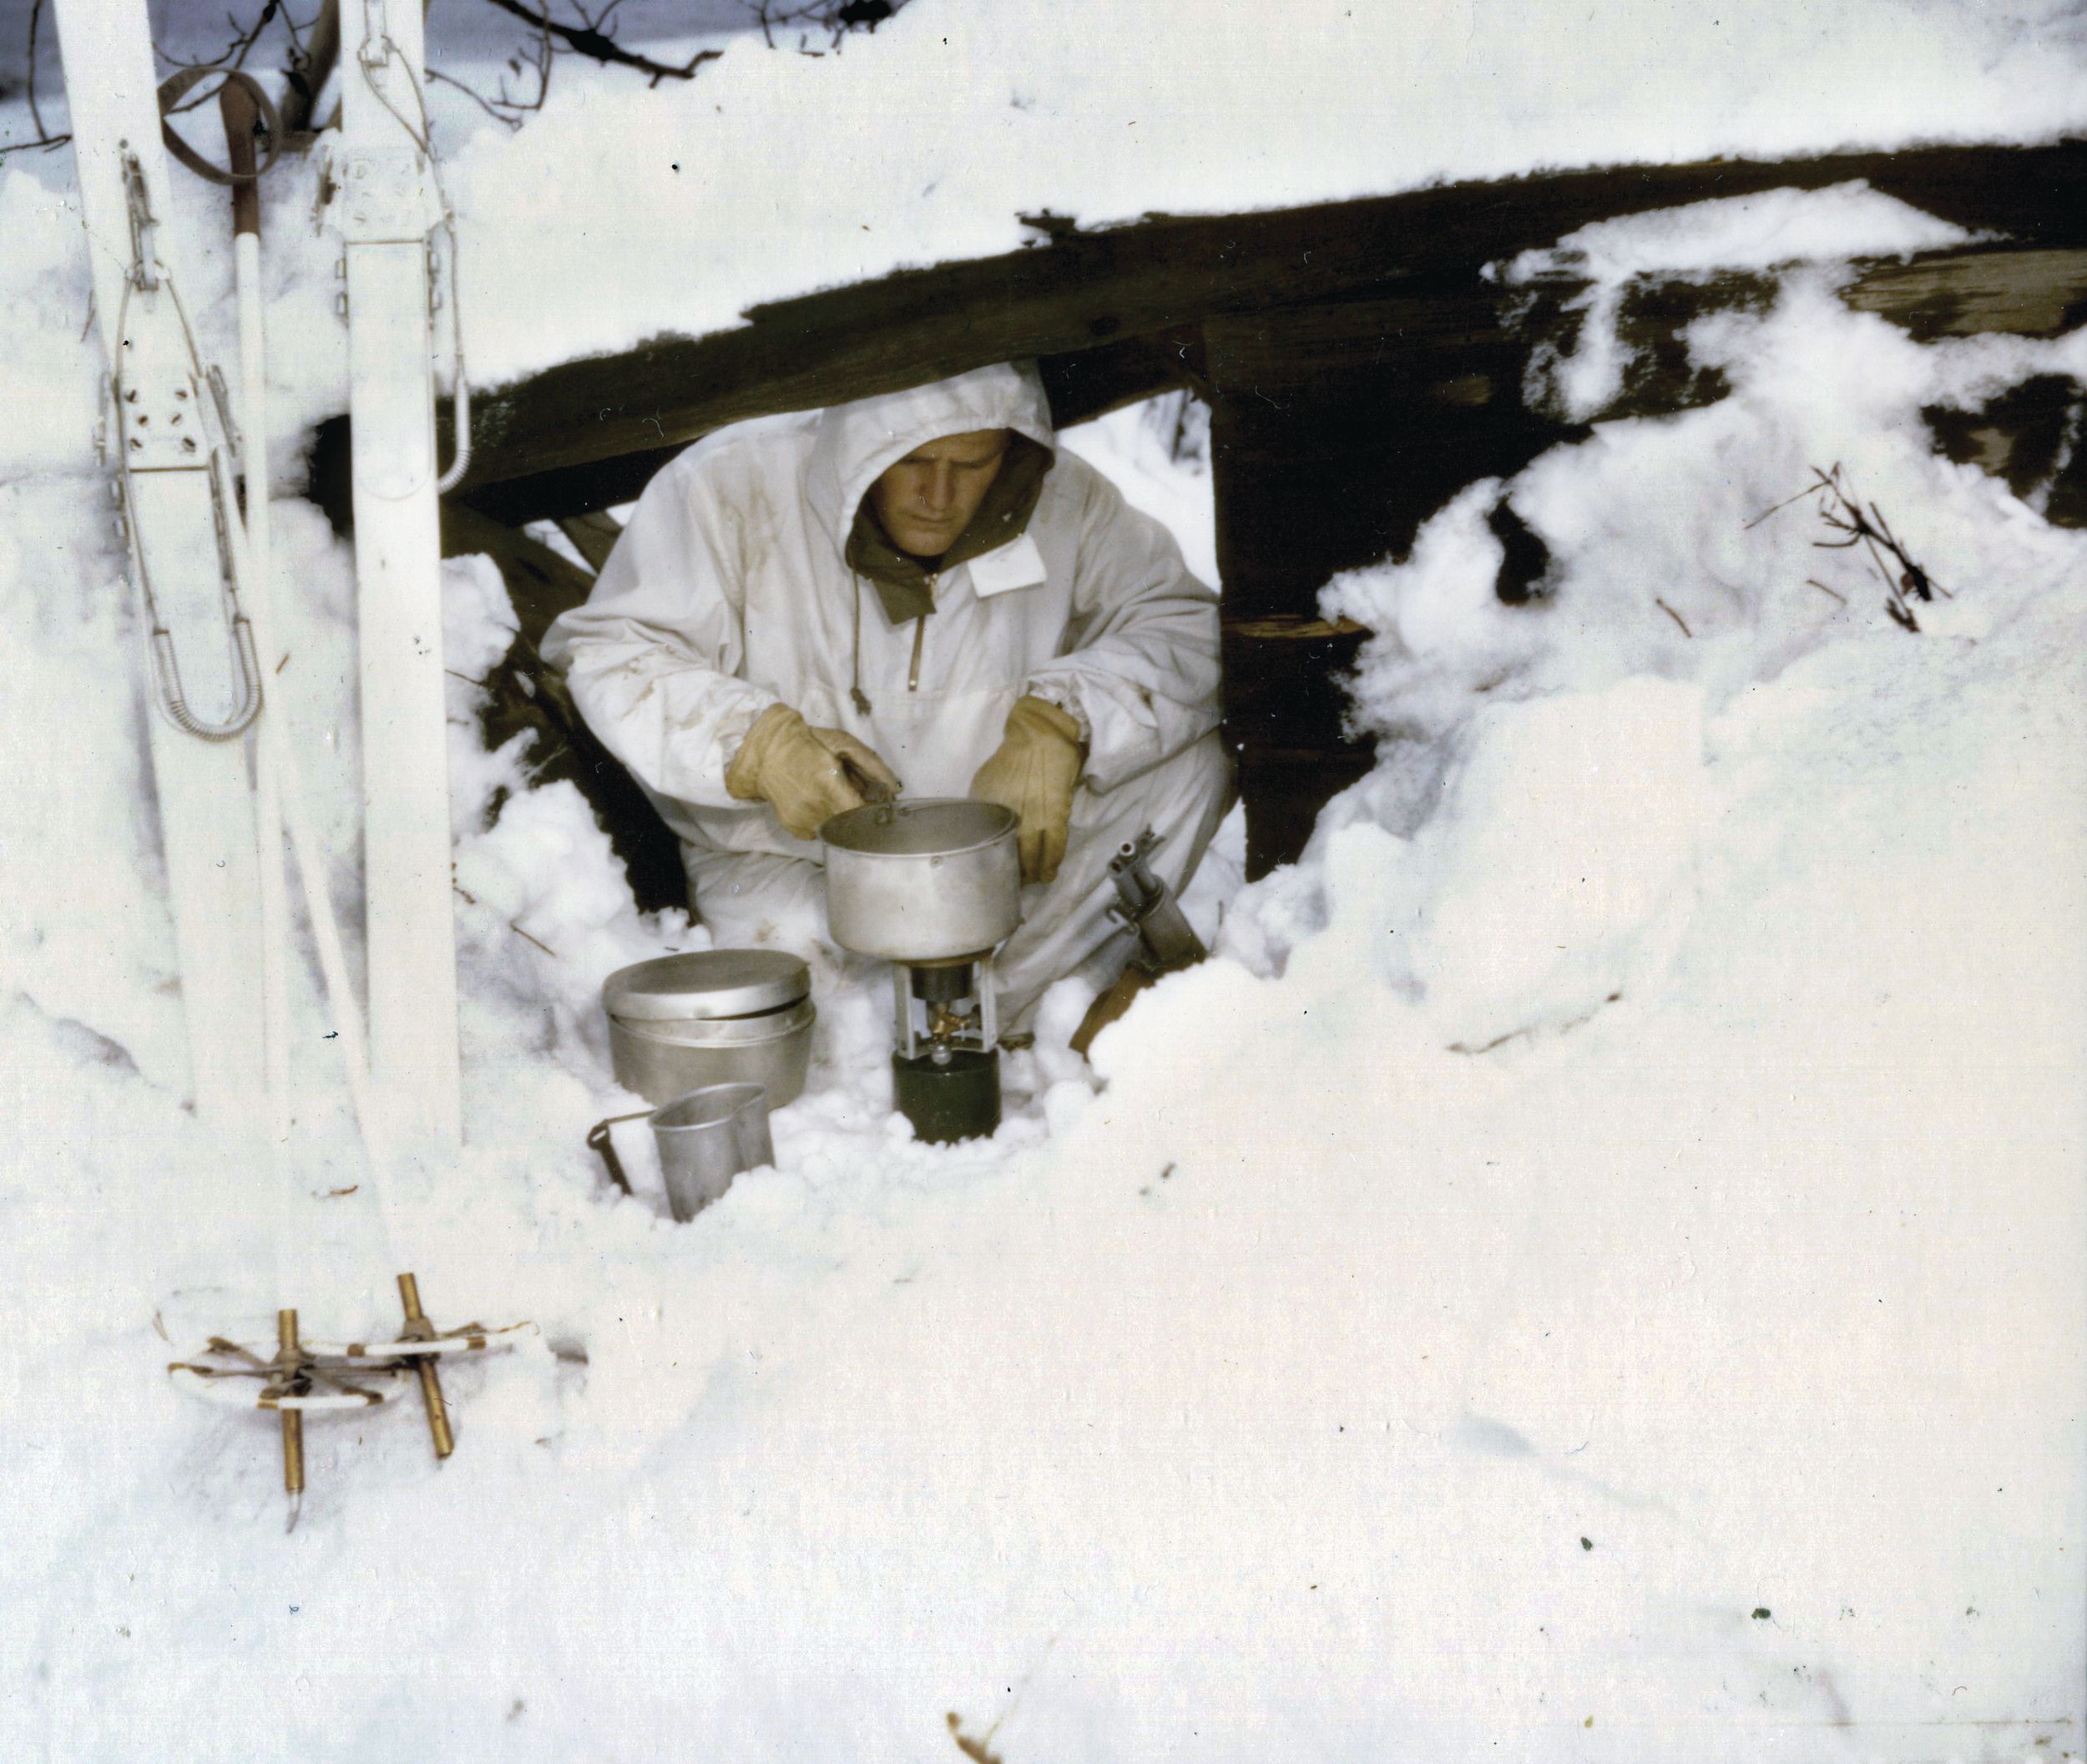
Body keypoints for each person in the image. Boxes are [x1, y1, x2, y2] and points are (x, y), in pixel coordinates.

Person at [542, 361, 1232, 1029]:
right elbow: (611, 650)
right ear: (855, 447)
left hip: (1006, 865)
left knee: (1194, 760)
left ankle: (1017, 1008)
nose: (939, 496)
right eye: (910, 462)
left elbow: (1183, 624)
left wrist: (1061, 720)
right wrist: (755, 743)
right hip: (798, 867)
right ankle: (998, 1018)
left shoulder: (1067, 501)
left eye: (971, 465)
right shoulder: (727, 486)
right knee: (817, 1012)